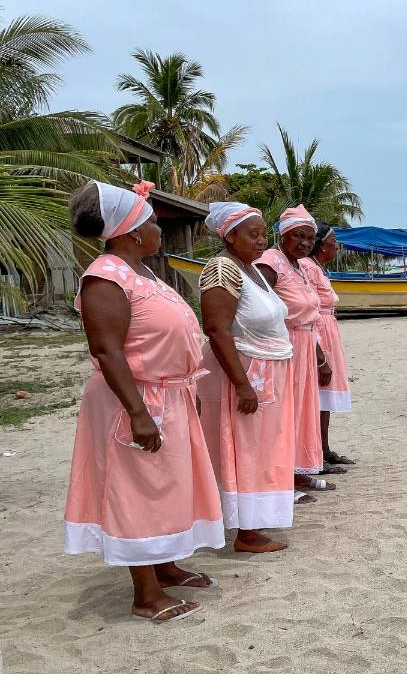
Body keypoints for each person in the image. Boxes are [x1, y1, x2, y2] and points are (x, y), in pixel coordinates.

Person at [64, 180, 223, 623]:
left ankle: (166, 566)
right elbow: (108, 350)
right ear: (132, 232)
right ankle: (145, 594)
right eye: (153, 222)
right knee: (138, 489)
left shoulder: (143, 273)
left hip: (169, 396)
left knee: (168, 486)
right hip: (134, 400)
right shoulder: (104, 277)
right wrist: (137, 412)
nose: (158, 229)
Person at [196, 201, 296, 554]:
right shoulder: (222, 269)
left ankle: (256, 521)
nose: (260, 241)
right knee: (249, 450)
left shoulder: (250, 270)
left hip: (267, 372)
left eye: (263, 235)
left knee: (266, 449)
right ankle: (247, 531)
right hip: (248, 374)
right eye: (252, 234)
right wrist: (242, 384)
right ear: (230, 235)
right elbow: (216, 328)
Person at [255, 205, 336, 494]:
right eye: (297, 236)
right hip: (284, 348)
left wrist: (320, 357)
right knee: (284, 415)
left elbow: (308, 316)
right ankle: (282, 481)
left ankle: (299, 471)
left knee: (303, 413)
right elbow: (258, 308)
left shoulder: (298, 265)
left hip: (304, 346)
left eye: (309, 238)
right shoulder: (270, 263)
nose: (304, 243)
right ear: (283, 234)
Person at [302, 222, 355, 466]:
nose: (337, 248)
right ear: (323, 246)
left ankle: (324, 448)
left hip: (327, 330)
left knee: (324, 395)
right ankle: (317, 451)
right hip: (318, 333)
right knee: (317, 394)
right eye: (335, 243)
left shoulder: (318, 268)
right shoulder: (308, 268)